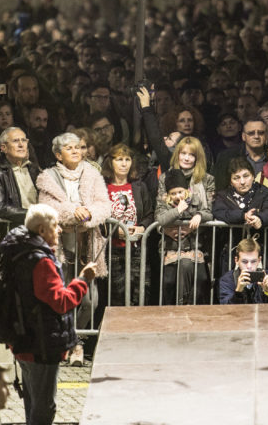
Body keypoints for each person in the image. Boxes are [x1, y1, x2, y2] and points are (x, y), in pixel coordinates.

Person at [0, 204, 96, 425]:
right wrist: (82, 280)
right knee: (43, 408)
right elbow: (61, 302)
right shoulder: (40, 261)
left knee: (32, 403)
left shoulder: (19, 252)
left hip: (24, 341)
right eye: (56, 226)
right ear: (42, 230)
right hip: (41, 344)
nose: (60, 230)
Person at [36, 133, 110, 365]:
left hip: (88, 244)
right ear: (59, 154)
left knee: (90, 301)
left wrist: (88, 214)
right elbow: (47, 206)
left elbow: (103, 205)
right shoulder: (47, 177)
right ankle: (71, 344)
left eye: (78, 147)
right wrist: (72, 211)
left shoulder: (92, 174)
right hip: (60, 244)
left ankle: (74, 339)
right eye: (69, 148)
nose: (76, 151)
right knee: (61, 297)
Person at [101, 143, 154, 306]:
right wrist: (117, 232)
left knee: (140, 294)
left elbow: (149, 213)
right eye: (119, 159)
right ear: (111, 162)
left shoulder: (139, 186)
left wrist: (142, 227)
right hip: (114, 250)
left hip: (137, 248)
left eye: (127, 159)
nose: (124, 163)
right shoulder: (103, 187)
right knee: (117, 294)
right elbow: (100, 217)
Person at [155, 168, 212, 305]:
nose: (177, 196)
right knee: (169, 281)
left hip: (193, 247)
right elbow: (160, 219)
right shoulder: (164, 204)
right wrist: (177, 210)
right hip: (172, 249)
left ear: (187, 190)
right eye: (173, 193)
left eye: (180, 192)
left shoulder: (195, 200)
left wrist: (199, 215)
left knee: (201, 279)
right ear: (168, 194)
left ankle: (193, 308)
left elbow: (208, 213)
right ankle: (171, 309)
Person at [212, 157, 268, 273]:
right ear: (230, 181)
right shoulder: (223, 196)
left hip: (261, 253)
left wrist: (260, 219)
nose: (242, 182)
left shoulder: (265, 192)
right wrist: (242, 216)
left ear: (253, 176)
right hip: (232, 254)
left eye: (246, 176)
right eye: (236, 178)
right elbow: (219, 212)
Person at [0, 126, 40, 225]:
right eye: (16, 141)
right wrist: (31, 214)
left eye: (24, 140)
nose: (21, 145)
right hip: (14, 231)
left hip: (38, 229)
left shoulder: (34, 169)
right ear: (4, 148)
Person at [218, 238, 268, 304]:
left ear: (259, 260)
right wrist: (238, 292)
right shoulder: (227, 280)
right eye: (244, 261)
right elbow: (225, 309)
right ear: (236, 261)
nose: (249, 266)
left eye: (253, 261)